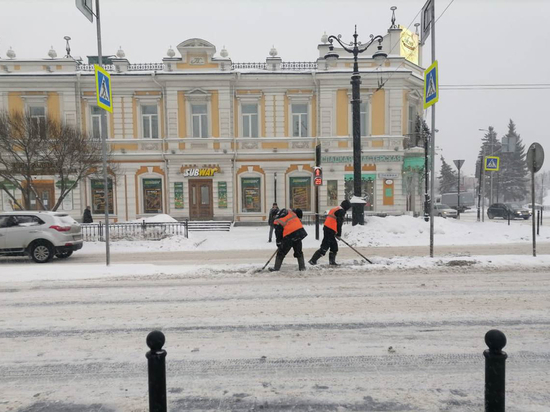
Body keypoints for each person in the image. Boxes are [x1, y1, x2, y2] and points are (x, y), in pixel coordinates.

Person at [308, 199, 351, 266]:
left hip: (328, 229)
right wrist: (339, 233)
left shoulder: (335, 208)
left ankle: (331, 262)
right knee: (324, 248)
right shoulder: (341, 211)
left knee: (334, 247)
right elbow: (339, 223)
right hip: (330, 230)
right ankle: (313, 261)